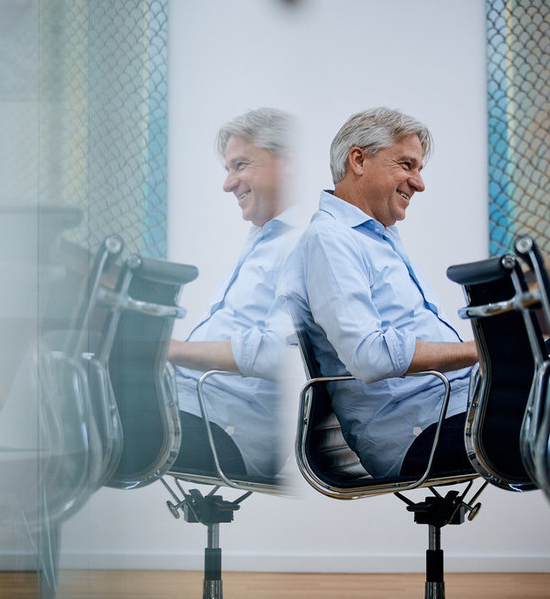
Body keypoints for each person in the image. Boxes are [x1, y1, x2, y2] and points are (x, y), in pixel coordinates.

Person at [287, 106, 478, 479]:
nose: (419, 183)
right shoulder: (330, 240)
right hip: (421, 430)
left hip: (457, 407)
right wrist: (479, 352)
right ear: (358, 160)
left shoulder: (378, 236)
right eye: (407, 165)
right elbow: (369, 356)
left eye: (419, 169)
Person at [167, 107, 298, 480]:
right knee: (65, 365)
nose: (228, 183)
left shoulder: (304, 243)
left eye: (240, 165)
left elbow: (281, 353)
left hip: (226, 430)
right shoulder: (267, 237)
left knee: (66, 390)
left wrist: (168, 349)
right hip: (197, 407)